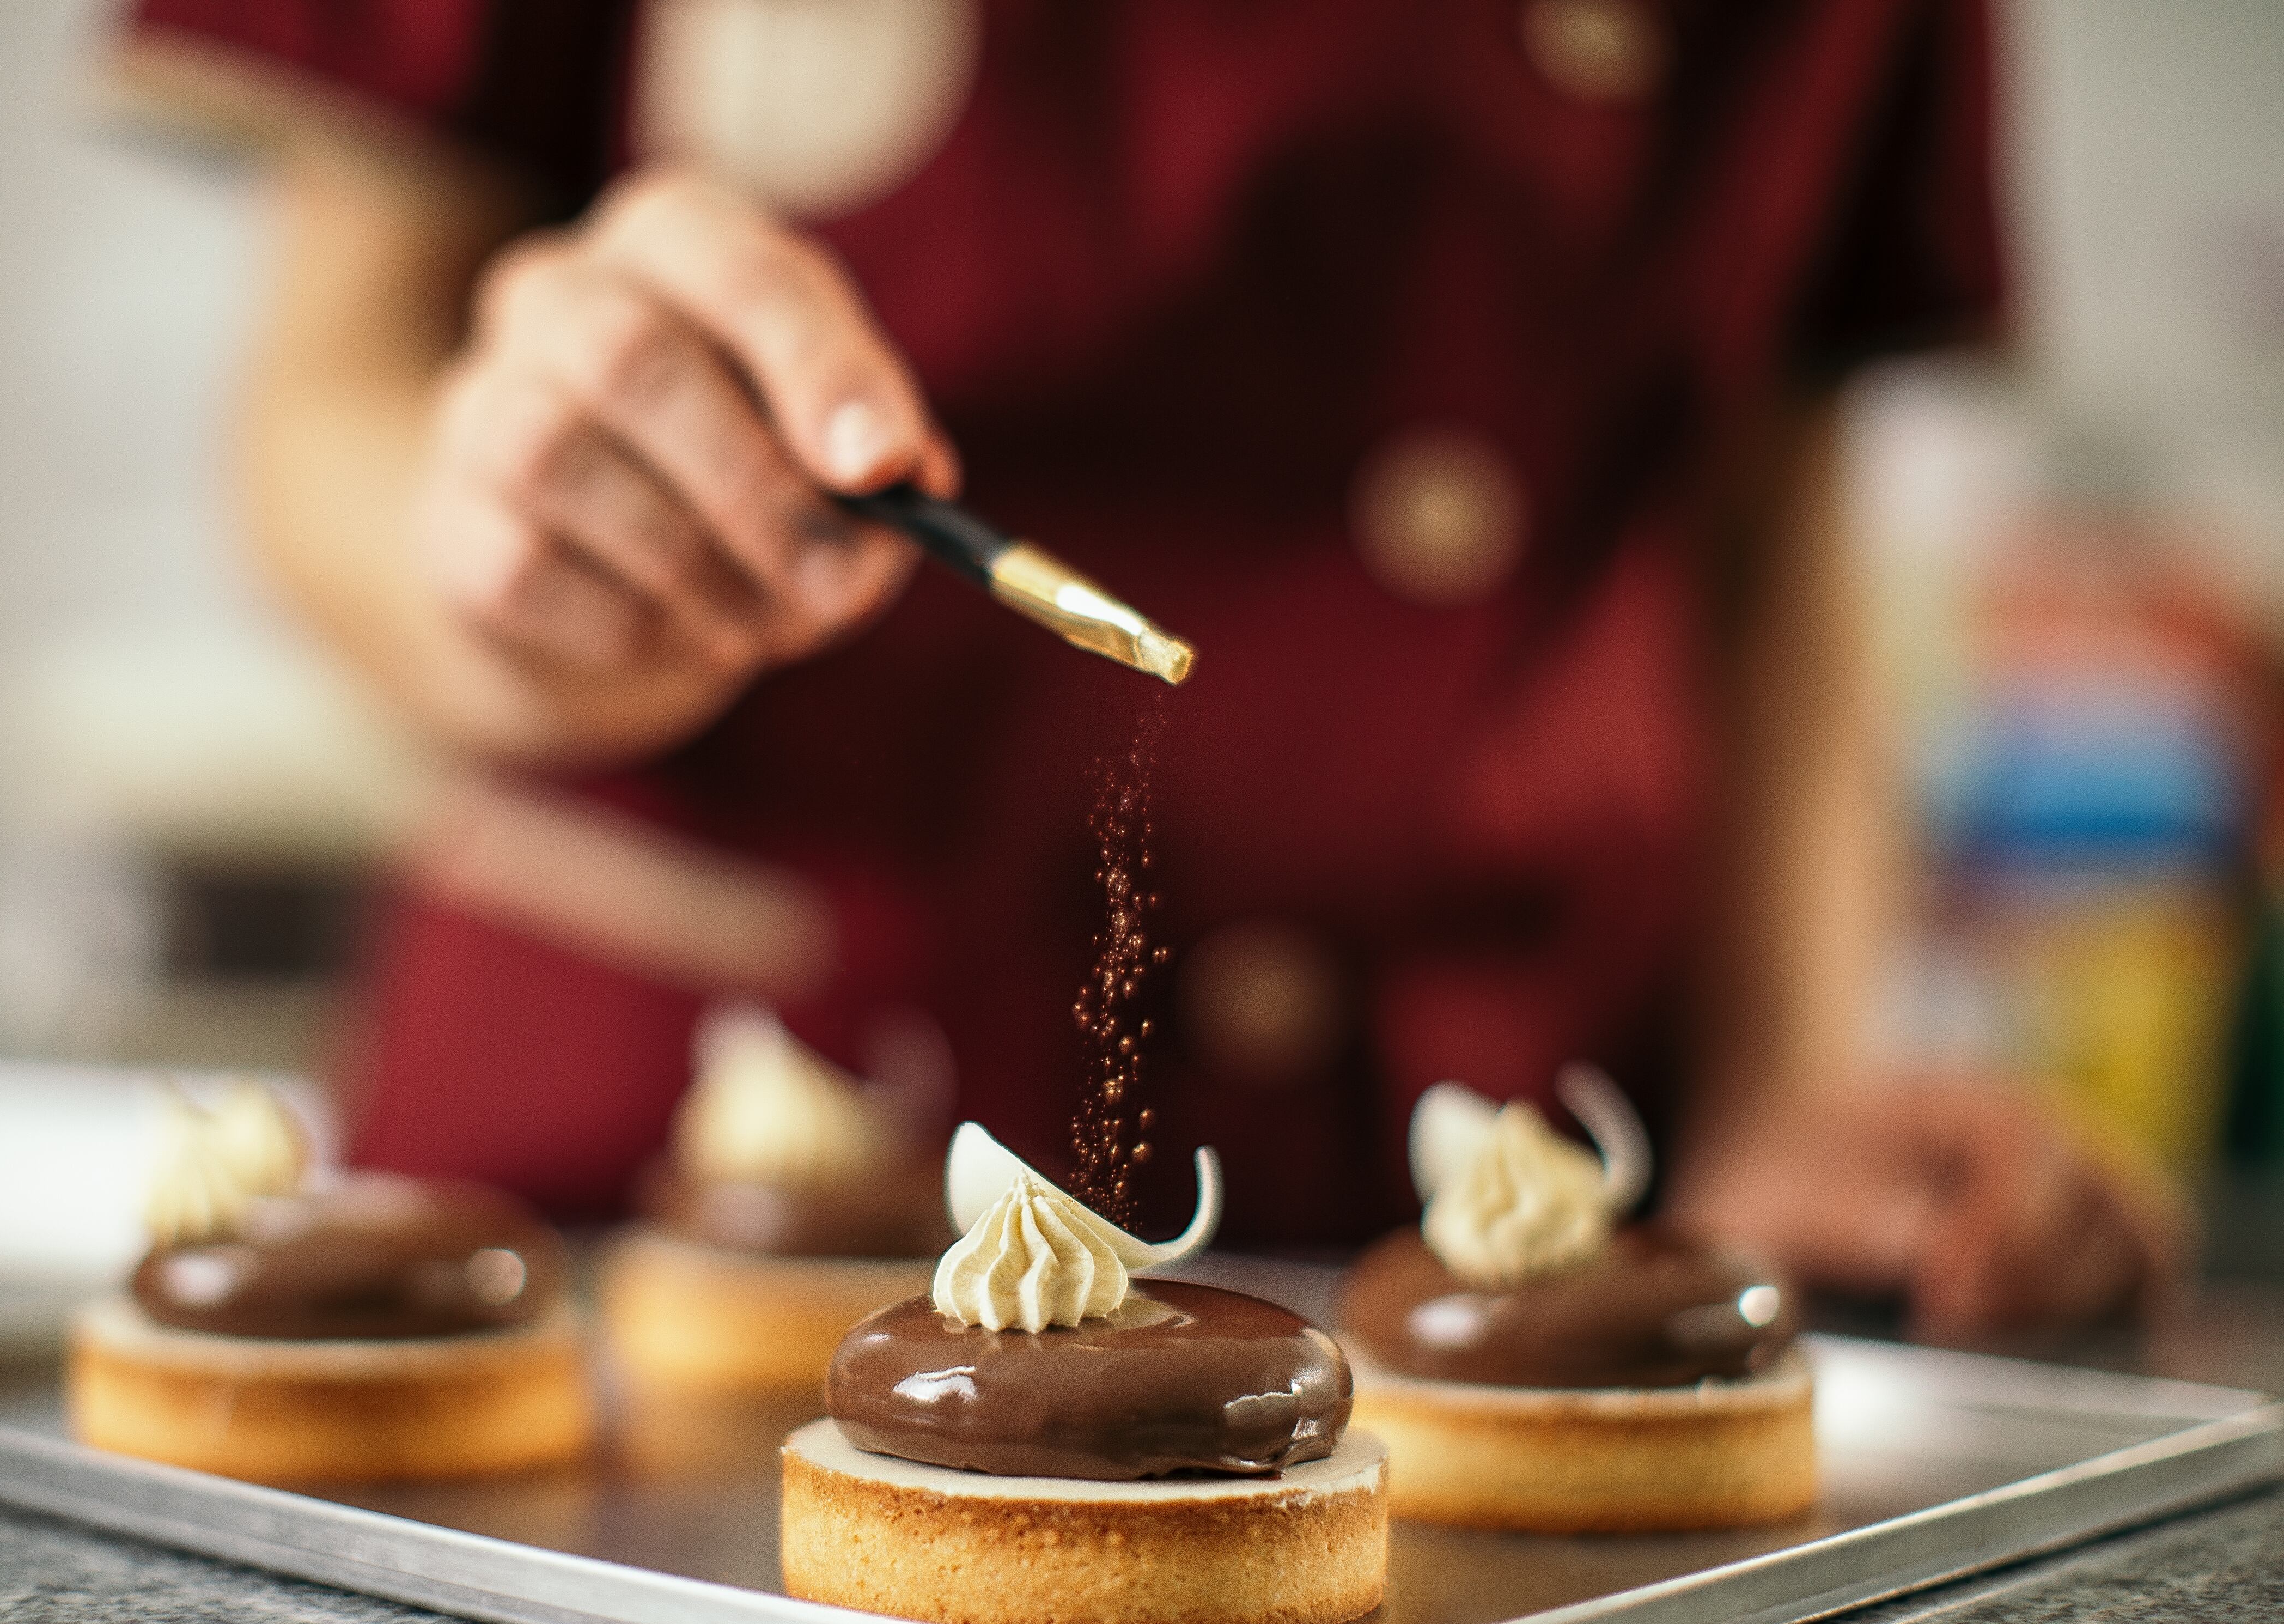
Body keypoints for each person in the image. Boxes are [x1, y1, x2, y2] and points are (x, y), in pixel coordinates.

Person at [113, 0, 2182, 1341]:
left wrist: (1781, 1101)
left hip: (1499, 1218)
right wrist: (503, 553)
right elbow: (328, 395)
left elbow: (1767, 529)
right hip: (658, 1208)